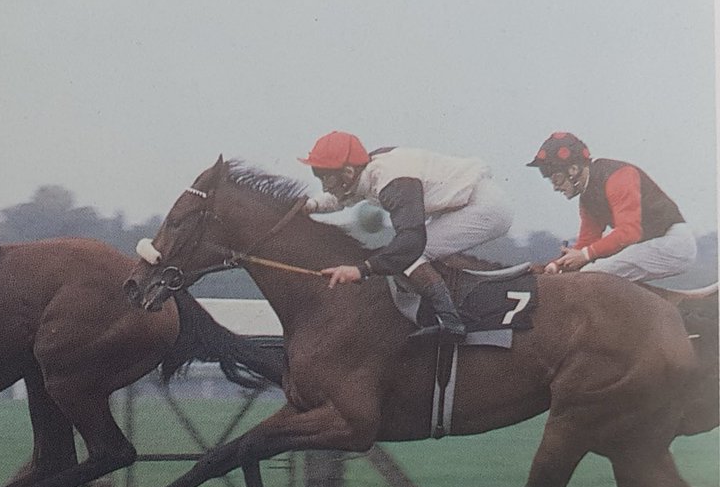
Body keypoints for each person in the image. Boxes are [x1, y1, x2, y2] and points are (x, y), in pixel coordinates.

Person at [298, 130, 514, 339]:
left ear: (348, 173)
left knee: (411, 255)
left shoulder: (393, 181)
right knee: (405, 255)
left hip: (483, 207)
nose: (324, 185)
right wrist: (311, 205)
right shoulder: (368, 171)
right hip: (464, 202)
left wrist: (362, 270)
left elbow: (411, 244)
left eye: (325, 177)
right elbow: (343, 197)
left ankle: (451, 323)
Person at [526, 132, 696, 281]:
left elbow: (629, 232)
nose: (555, 188)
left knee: (590, 276)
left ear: (573, 169)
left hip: (672, 243)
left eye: (556, 179)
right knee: (586, 272)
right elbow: (588, 241)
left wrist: (585, 255)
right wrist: (557, 265)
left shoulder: (619, 177)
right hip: (647, 245)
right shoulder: (586, 197)